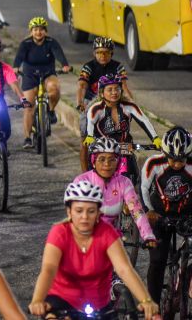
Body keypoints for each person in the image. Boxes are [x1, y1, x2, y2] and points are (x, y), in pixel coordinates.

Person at [29, 180, 158, 319]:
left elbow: (124, 269)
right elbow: (49, 269)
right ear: (69, 212)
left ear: (98, 213)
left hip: (99, 305)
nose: (84, 217)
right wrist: (37, 300)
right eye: (79, 211)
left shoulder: (107, 233)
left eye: (91, 211)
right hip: (62, 300)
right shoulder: (59, 233)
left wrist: (146, 300)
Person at [74, 137, 156, 249]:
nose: (107, 164)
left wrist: (148, 235)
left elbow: (137, 211)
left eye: (112, 159)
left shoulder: (124, 182)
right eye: (102, 159)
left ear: (118, 162)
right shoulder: (81, 181)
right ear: (93, 161)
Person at [140, 126, 192, 303]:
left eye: (181, 160)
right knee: (157, 260)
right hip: (160, 214)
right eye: (172, 159)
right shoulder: (153, 164)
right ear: (164, 153)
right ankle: (153, 306)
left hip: (186, 214)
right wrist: (149, 211)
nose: (177, 164)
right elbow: (144, 189)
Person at [81, 74, 161, 172]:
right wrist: (90, 136)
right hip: (103, 150)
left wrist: (155, 138)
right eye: (110, 90)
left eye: (117, 89)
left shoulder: (130, 106)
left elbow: (144, 121)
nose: (114, 92)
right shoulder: (95, 109)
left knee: (132, 174)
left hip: (125, 148)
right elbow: (90, 124)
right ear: (102, 93)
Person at [13, 17, 71, 149]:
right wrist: (15, 67)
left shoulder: (51, 42)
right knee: (28, 106)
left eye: (41, 29)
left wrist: (65, 65)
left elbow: (59, 54)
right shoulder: (26, 43)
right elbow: (19, 57)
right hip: (30, 75)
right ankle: (27, 138)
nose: (38, 32)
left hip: (48, 74)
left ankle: (50, 111)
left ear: (45, 31)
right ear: (31, 31)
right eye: (35, 29)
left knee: (54, 89)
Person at [77, 37, 132, 145]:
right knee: (84, 133)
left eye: (106, 52)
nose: (102, 56)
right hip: (92, 100)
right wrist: (80, 102)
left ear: (111, 53)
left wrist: (131, 102)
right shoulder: (88, 67)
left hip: (113, 101)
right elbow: (82, 86)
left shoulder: (118, 67)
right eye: (99, 52)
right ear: (94, 53)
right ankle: (84, 153)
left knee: (124, 131)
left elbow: (124, 86)